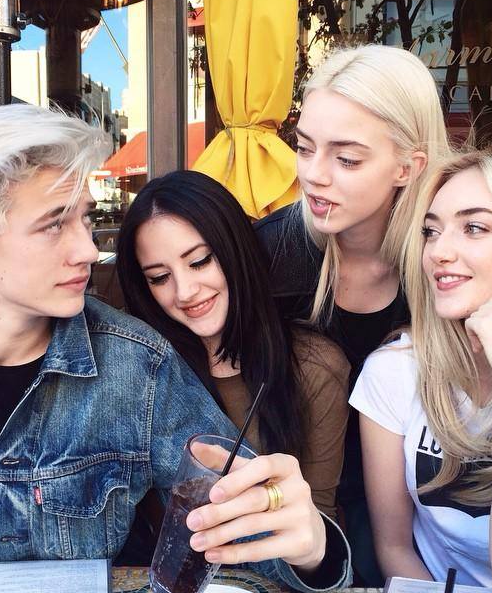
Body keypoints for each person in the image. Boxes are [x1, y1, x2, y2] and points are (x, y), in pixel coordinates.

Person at [0, 104, 351, 592]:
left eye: (85, 219)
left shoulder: (138, 366)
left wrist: (310, 544)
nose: (89, 250)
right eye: (54, 224)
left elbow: (247, 532)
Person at [255, 44, 450, 585]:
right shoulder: (269, 256)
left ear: (408, 167)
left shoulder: (447, 265)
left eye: (346, 159)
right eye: (304, 148)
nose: (314, 175)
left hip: (430, 520)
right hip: (299, 518)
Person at [351, 144, 492, 593]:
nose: (439, 252)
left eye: (474, 228)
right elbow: (394, 548)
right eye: (431, 231)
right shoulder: (394, 372)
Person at [115, 169, 350, 520]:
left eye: (199, 262)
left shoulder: (315, 367)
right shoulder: (136, 370)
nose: (185, 291)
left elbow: (321, 522)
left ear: (235, 249)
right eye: (159, 278)